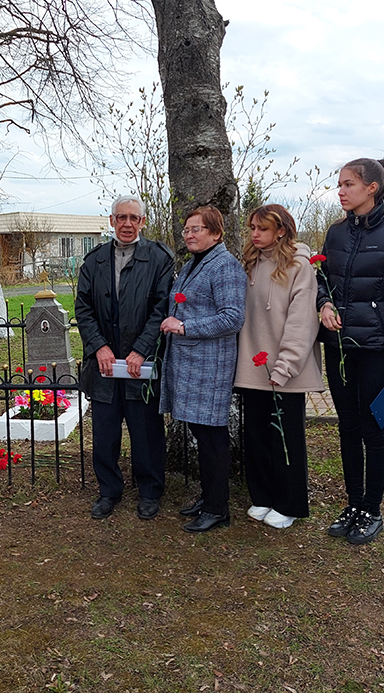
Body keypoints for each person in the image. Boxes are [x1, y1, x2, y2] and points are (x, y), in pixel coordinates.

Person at [317, 158, 384, 545]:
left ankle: (372, 511)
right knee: (347, 426)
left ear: (372, 187)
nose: (341, 191)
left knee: (372, 427)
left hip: (379, 349)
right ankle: (353, 504)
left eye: (348, 184)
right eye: (339, 184)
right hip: (340, 346)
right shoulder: (336, 232)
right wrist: (324, 304)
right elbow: (322, 277)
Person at [75, 195, 174, 520]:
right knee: (104, 432)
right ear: (112, 221)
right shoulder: (94, 261)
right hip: (104, 364)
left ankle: (150, 491)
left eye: (134, 218)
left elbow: (161, 308)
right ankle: (109, 490)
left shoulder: (159, 259)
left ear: (142, 222)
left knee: (145, 432)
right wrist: (99, 347)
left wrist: (141, 349)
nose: (127, 224)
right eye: (121, 217)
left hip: (139, 364)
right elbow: (83, 308)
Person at [160, 206, 247, 533]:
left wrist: (184, 327)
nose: (189, 235)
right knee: (201, 433)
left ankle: (217, 508)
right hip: (190, 363)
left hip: (211, 365)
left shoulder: (225, 266)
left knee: (212, 438)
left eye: (197, 229)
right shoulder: (194, 263)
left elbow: (232, 318)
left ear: (216, 233)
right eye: (187, 230)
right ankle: (209, 496)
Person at [235, 204, 322, 530]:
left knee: (286, 438)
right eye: (252, 228)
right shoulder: (250, 263)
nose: (255, 234)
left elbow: (302, 321)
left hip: (286, 369)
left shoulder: (300, 266)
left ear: (281, 231)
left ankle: (290, 503)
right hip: (252, 366)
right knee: (256, 435)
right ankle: (263, 496)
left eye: (262, 229)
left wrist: (285, 365)